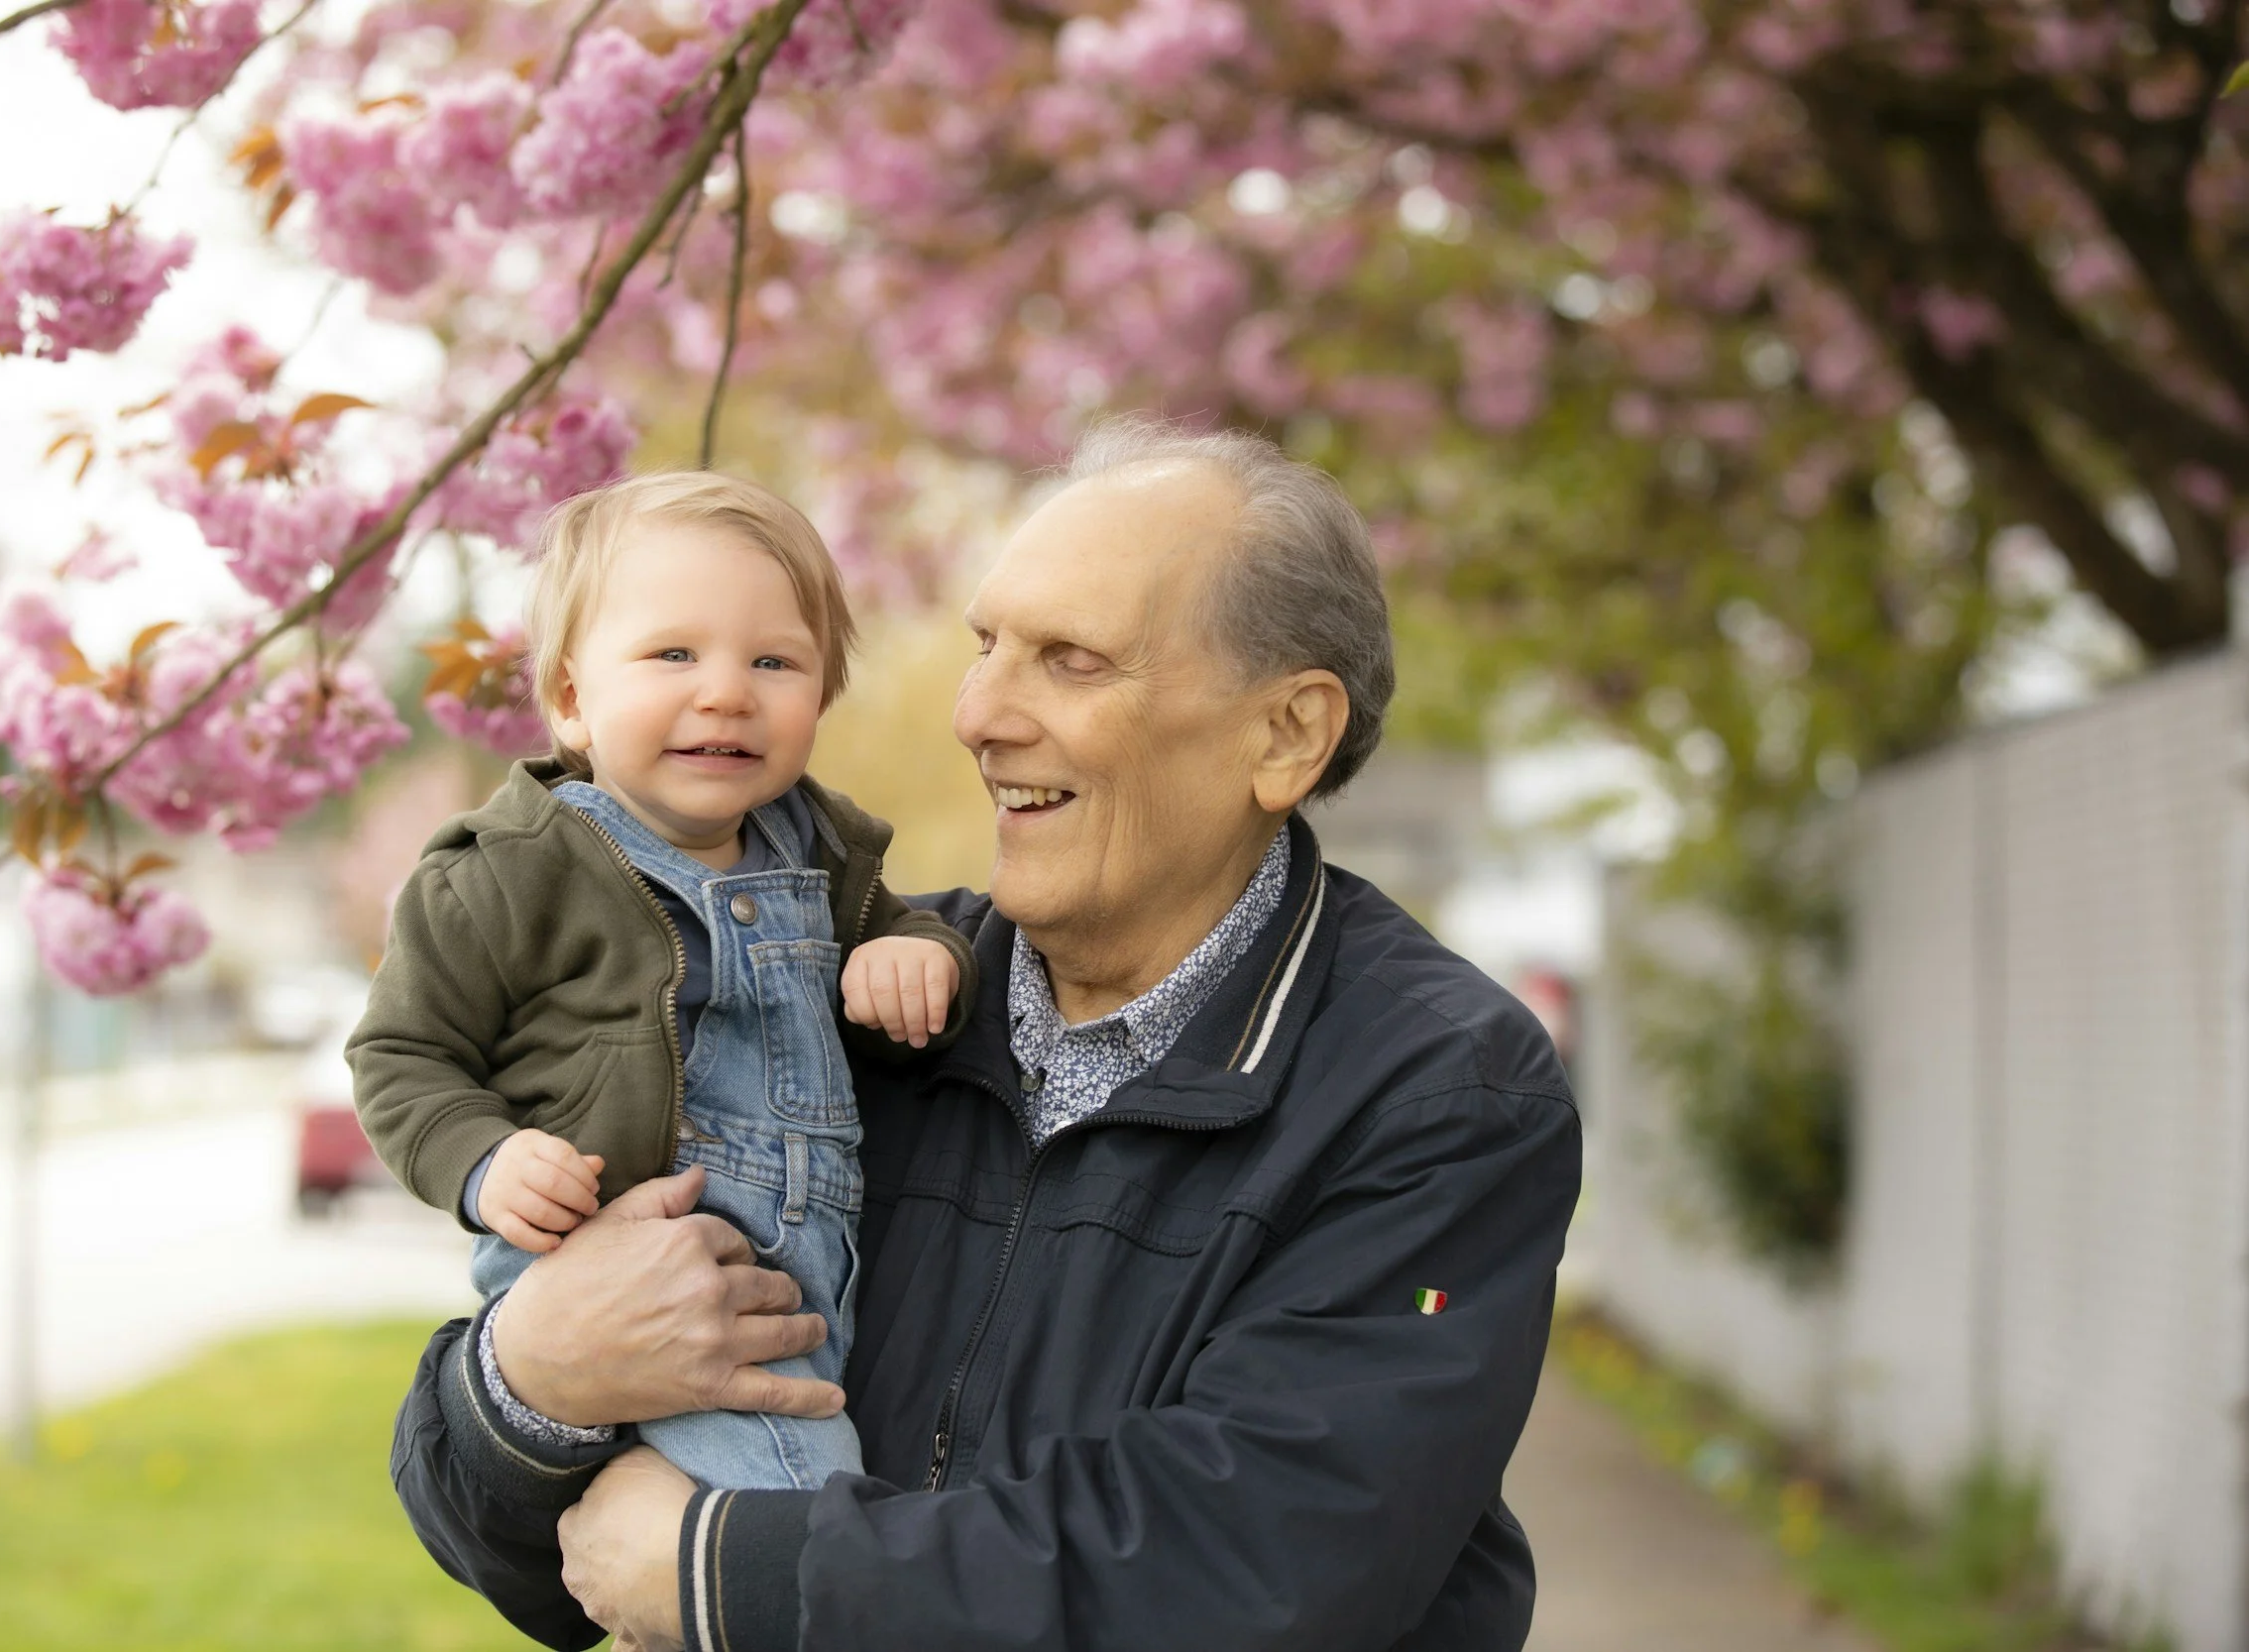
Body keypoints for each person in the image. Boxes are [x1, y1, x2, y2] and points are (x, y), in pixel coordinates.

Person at [389, 418, 1582, 1652]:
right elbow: (500, 1537)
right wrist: (531, 1380)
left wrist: (721, 1569)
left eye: (1069, 659)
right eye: (985, 647)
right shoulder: (840, 998)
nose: (976, 713)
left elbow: (1258, 1560)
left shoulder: (1436, 1091)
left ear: (1284, 734)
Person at [351, 471, 975, 1494]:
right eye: (672, 653)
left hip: (806, 1282)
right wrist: (483, 1158)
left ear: (820, 694)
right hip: (621, 1274)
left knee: (759, 1531)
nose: (726, 690)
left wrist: (918, 958)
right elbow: (400, 1051)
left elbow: (893, 955)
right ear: (569, 697)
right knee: (802, 1517)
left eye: (774, 660)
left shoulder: (822, 855)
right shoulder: (508, 870)